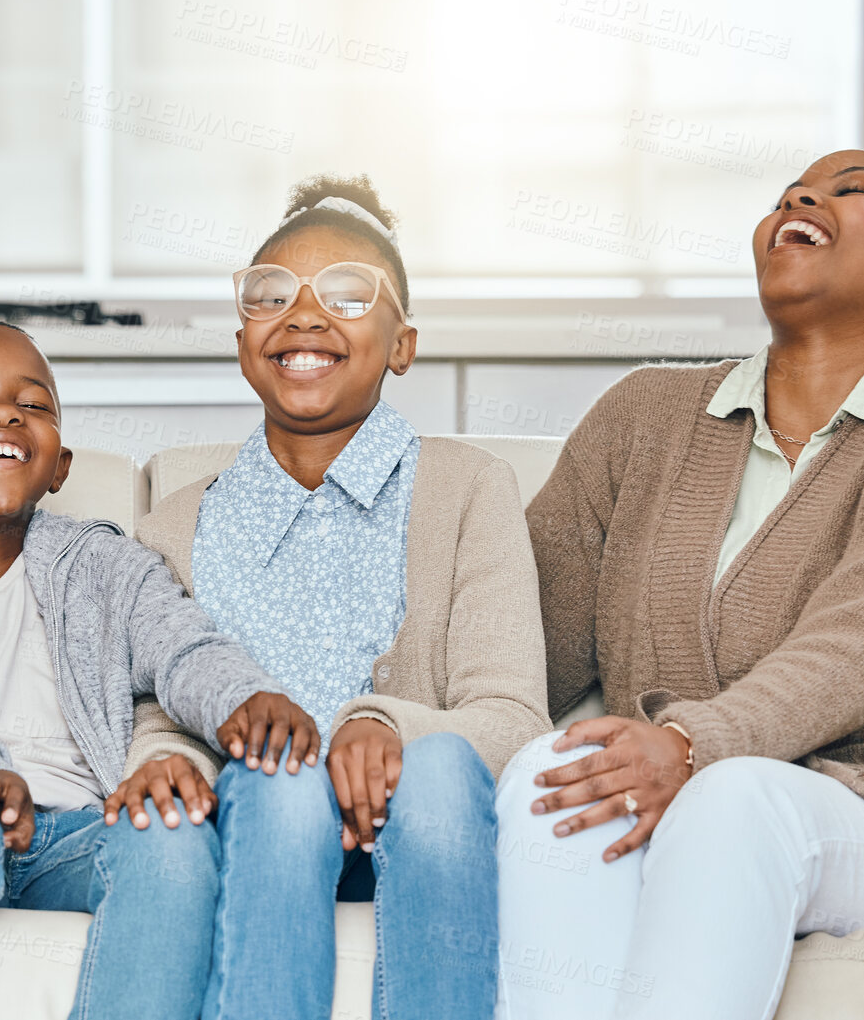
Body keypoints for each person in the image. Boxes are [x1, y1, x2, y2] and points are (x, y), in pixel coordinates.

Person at [497, 149, 864, 1020]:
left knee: (733, 796)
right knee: (556, 767)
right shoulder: (643, 414)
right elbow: (519, 646)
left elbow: (863, 640)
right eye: (789, 193)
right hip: (673, 803)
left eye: (851, 189)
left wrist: (692, 746)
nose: (802, 196)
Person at [125, 176, 552, 1020]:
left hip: (425, 824)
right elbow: (159, 704)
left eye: (349, 295)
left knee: (431, 770)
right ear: (243, 335)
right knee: (279, 780)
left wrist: (381, 724)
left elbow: (512, 717)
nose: (306, 315)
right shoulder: (174, 525)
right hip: (258, 833)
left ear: (402, 344)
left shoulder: (468, 488)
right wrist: (161, 760)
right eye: (271, 294)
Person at [0, 320, 316, 1020]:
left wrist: (243, 695)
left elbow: (181, 643)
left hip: (82, 825)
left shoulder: (106, 565)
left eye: (34, 404)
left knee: (171, 838)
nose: (2, 413)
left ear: (59, 465)